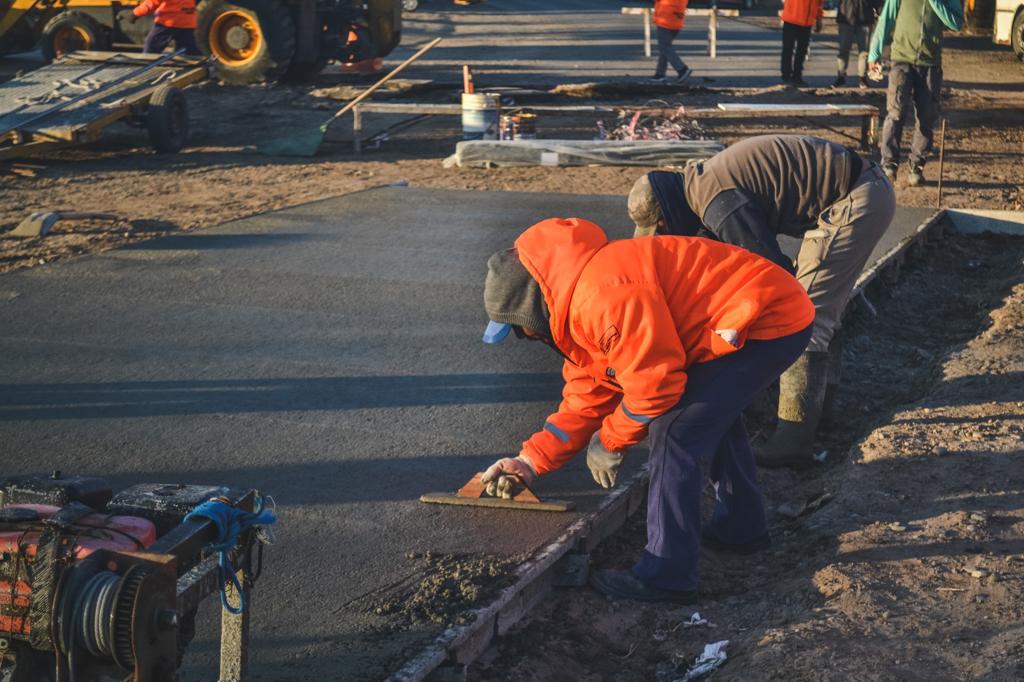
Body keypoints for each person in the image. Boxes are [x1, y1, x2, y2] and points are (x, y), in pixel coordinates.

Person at [478, 217, 814, 603]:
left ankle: (666, 576)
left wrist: (611, 440)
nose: (525, 339)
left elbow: (656, 389)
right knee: (710, 415)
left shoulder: (601, 298)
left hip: (766, 318)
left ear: (531, 309)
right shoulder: (577, 302)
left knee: (675, 433)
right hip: (748, 313)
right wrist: (530, 460)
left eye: (520, 329)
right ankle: (742, 529)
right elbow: (587, 394)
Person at [626, 135, 896, 469]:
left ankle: (794, 440)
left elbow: (771, 273)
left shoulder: (716, 201)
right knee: (819, 304)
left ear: (666, 216)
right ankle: (821, 412)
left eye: (661, 229)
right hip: (860, 190)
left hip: (857, 198)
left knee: (805, 314)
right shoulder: (701, 186)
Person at [868, 0, 964, 186]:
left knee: (927, 117)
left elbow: (956, 23)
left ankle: (917, 165)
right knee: (895, 112)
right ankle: (889, 164)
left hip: (930, 63)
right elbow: (887, 18)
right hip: (901, 59)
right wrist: (874, 53)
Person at [834, 0, 881, 88]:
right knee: (843, 49)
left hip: (865, 18)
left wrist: (880, 11)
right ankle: (841, 76)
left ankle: (862, 77)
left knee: (864, 51)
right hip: (846, 18)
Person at [130, 0, 201, 56]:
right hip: (188, 22)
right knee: (190, 49)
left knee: (151, 47)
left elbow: (152, 2)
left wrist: (135, 14)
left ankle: (146, 65)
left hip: (167, 22)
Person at [780, 0, 824, 86]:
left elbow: (819, 4)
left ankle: (797, 76)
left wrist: (819, 18)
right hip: (791, 20)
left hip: (807, 23)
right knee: (788, 49)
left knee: (802, 50)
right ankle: (786, 76)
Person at [652, 0, 692, 83]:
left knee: (664, 46)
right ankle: (660, 73)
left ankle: (682, 69)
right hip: (676, 18)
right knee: (665, 47)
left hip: (666, 17)